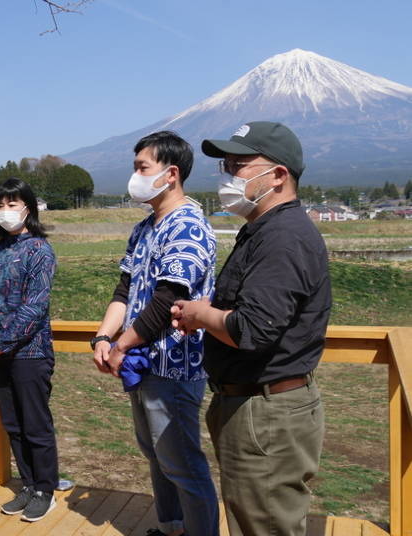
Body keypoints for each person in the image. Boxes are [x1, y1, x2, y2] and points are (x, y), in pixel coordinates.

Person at [171, 121, 330, 536]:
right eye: (226, 164)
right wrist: (208, 314)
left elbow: (252, 330)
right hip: (253, 406)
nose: (228, 174)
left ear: (278, 175)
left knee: (265, 525)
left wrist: (199, 315)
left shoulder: (283, 238)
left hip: (267, 412)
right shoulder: (264, 230)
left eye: (238, 165)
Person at [92, 131, 219, 536]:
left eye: (142, 167)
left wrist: (121, 345)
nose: (136, 176)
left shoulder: (189, 226)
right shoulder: (145, 227)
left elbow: (167, 300)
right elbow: (124, 290)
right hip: (144, 364)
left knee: (183, 462)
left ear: (171, 173)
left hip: (175, 367)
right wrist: (102, 337)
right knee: (158, 455)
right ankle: (171, 527)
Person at [0, 178, 59, 523]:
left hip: (30, 353)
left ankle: (45, 489)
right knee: (13, 424)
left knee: (36, 424)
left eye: (13, 204)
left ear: (28, 208)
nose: (6, 212)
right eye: (0, 205)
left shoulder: (40, 250)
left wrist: (3, 343)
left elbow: (35, 306)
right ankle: (28, 483)